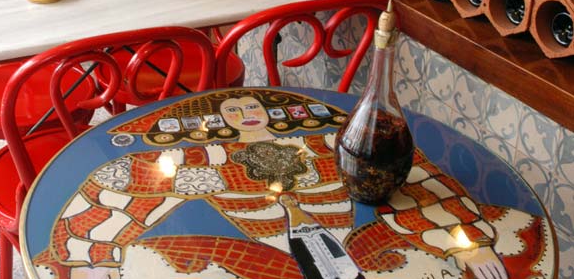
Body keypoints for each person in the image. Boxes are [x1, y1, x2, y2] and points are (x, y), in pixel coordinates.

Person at [30, 90, 550, 279]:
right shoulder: (201, 156)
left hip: (362, 243)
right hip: (260, 259)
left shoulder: (327, 142)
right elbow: (120, 186)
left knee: (507, 235)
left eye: (253, 108)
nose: (246, 114)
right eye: (234, 112)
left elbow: (417, 183)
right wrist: (92, 256)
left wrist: (469, 242)